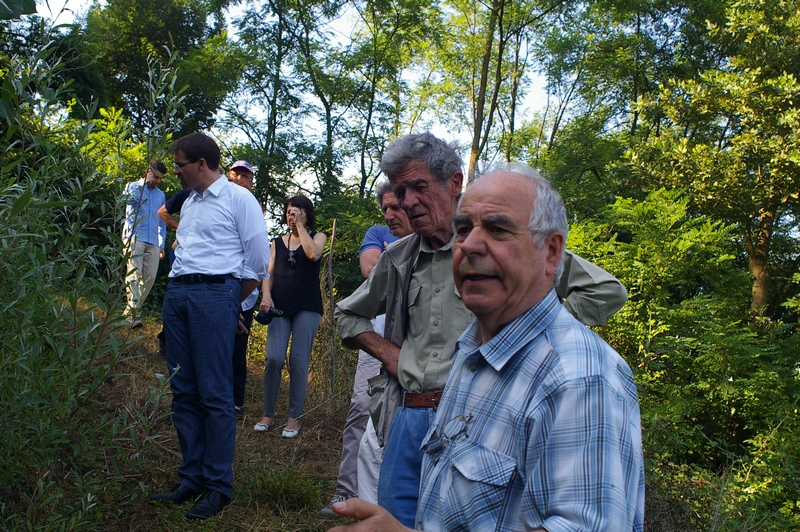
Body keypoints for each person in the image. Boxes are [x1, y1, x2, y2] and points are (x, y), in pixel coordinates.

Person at [329, 164, 645, 531]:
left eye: (497, 229)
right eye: (463, 230)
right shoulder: (472, 352)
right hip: (407, 410)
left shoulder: (579, 378)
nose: (469, 245)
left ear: (552, 253)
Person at [149, 133, 270, 521]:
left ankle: (219, 485)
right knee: (183, 390)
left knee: (215, 394)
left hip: (216, 294)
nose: (177, 173)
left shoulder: (240, 199)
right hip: (178, 296)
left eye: (181, 165)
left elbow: (257, 262)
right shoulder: (192, 202)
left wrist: (227, 303)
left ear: (201, 163)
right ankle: (192, 477)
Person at [321, 180, 414, 517]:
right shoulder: (377, 233)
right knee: (363, 406)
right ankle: (346, 494)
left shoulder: (432, 237)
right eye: (385, 207)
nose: (390, 214)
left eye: (396, 207)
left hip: (421, 335)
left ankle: (392, 500)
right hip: (378, 330)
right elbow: (369, 268)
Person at [254, 195, 327, 438]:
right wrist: (266, 296)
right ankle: (267, 413)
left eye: (296, 212)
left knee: (298, 360)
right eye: (288, 213)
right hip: (279, 306)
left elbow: (313, 254)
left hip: (307, 307)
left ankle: (294, 417)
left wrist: (301, 229)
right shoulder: (276, 242)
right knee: (273, 358)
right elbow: (269, 273)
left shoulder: (318, 237)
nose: (291, 216)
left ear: (307, 214)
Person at [226, 160, 261, 416]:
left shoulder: (253, 207)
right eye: (236, 174)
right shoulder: (215, 201)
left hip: (243, 287)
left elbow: (257, 252)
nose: (240, 179)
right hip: (218, 283)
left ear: (251, 182)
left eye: (245, 177)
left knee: (238, 345)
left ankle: (236, 399)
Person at [122, 160, 167, 327]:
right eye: (155, 177)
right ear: (148, 172)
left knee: (150, 277)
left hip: (153, 241)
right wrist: (143, 185)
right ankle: (134, 314)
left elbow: (162, 222)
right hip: (135, 236)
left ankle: (131, 311)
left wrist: (162, 243)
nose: (157, 181)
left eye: (160, 178)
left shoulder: (161, 195)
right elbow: (126, 201)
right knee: (134, 274)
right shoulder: (133, 186)